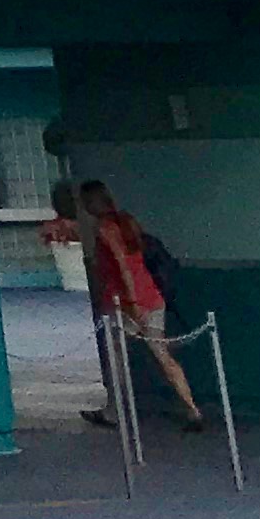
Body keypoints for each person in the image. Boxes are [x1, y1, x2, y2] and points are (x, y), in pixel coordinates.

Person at [77, 182, 207, 430]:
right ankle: (192, 409)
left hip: (123, 304)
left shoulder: (105, 228)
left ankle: (113, 412)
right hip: (152, 297)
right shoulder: (128, 221)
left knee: (115, 359)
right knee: (163, 356)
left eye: (85, 201)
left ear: (92, 202)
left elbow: (122, 265)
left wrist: (132, 302)